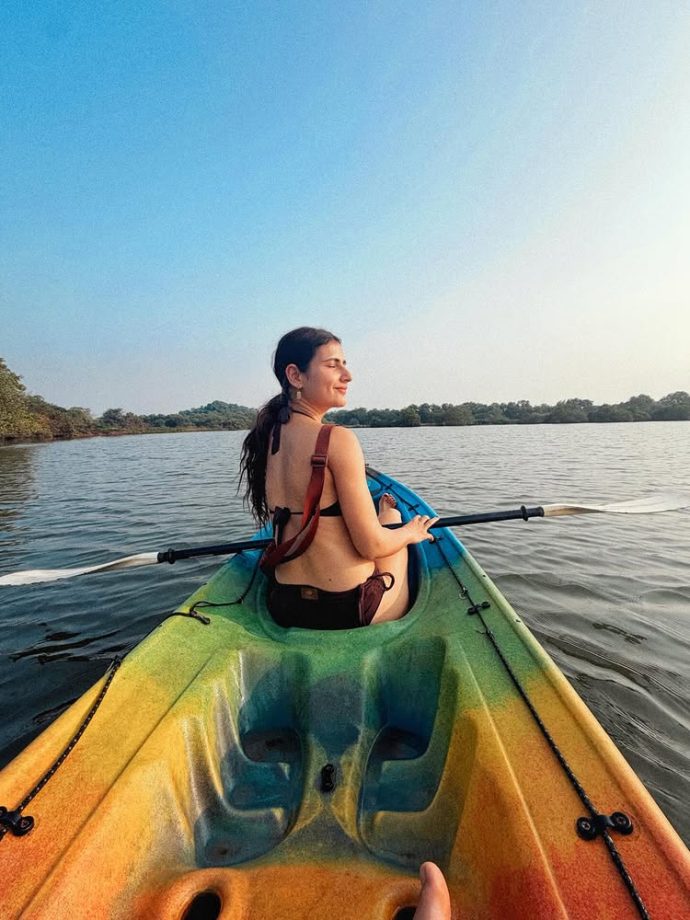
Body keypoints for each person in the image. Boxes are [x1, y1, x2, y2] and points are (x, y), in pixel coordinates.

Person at [240, 326, 438, 629]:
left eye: (344, 364)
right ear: (296, 376)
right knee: (395, 525)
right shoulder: (337, 439)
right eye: (333, 364)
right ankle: (390, 515)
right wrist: (411, 532)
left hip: (285, 604)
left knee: (381, 525)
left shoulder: (267, 438)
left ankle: (386, 516)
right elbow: (371, 546)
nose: (347, 375)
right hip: (346, 609)